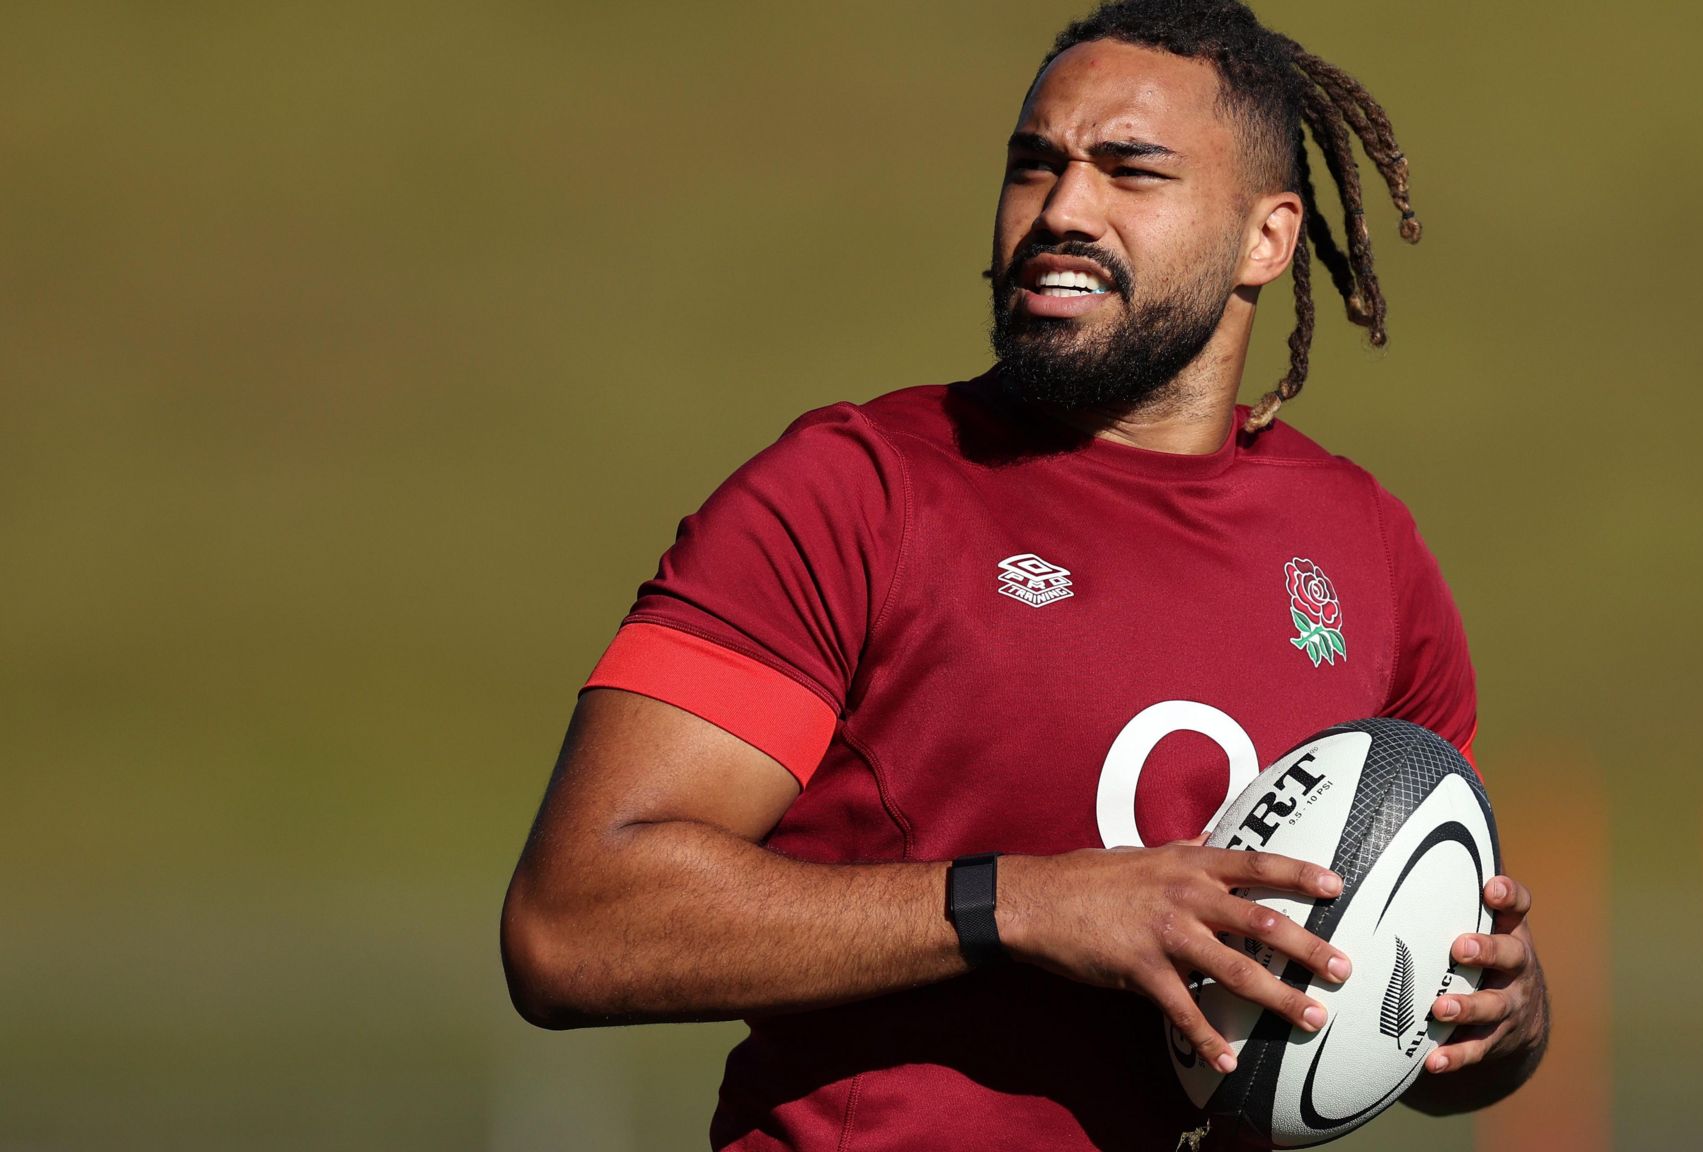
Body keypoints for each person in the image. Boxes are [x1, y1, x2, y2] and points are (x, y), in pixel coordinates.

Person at [500, 1, 1548, 1147]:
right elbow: (570, 927)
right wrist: (1020, 903)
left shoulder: (1363, 547)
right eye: (1031, 166)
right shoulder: (855, 492)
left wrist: (1501, 1018)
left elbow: (1412, 1021)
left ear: (1267, 238)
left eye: (1128, 171)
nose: (1060, 212)